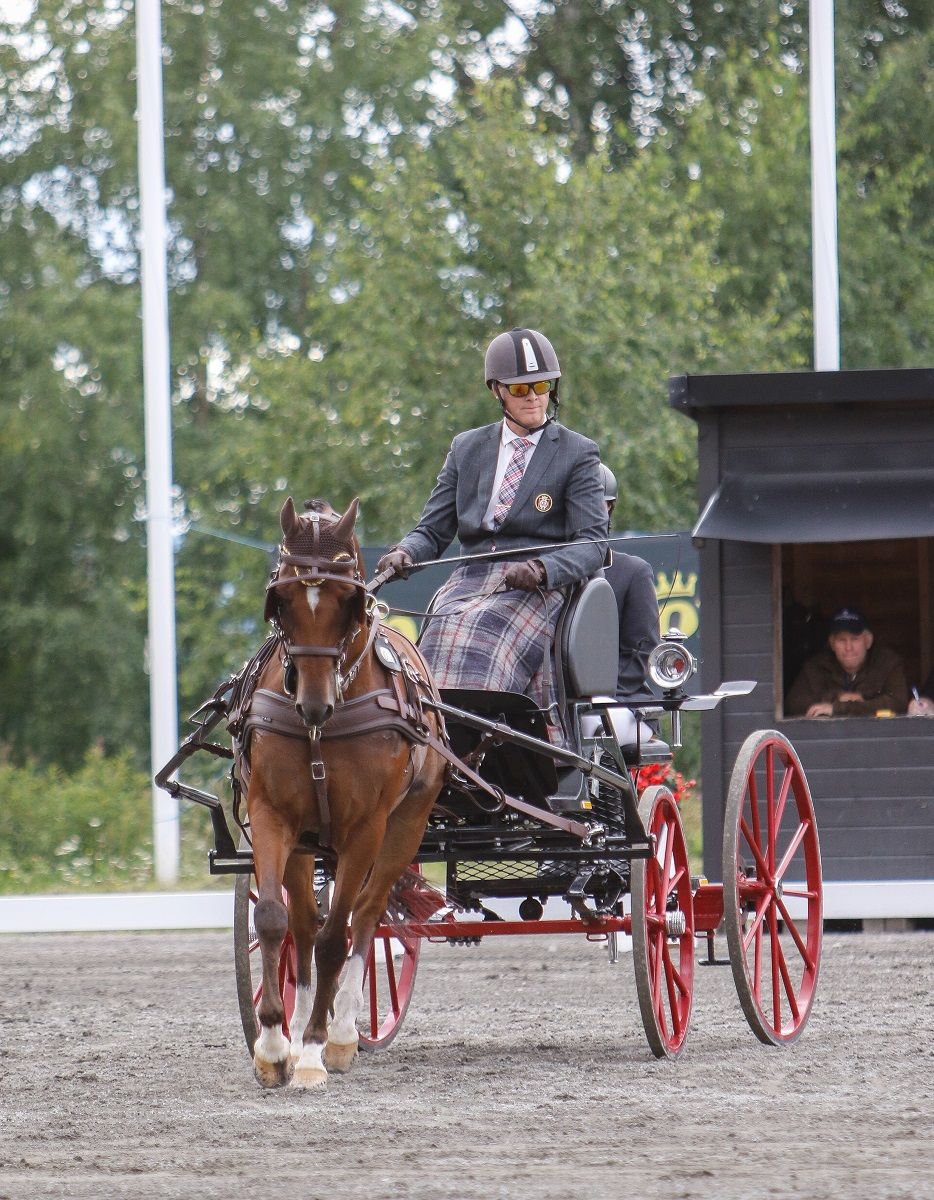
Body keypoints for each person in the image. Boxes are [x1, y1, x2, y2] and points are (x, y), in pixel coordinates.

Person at [376, 327, 607, 721]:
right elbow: (432, 531)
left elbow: (592, 543)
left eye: (542, 385)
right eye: (520, 390)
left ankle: (487, 737)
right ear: (497, 391)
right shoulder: (466, 448)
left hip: (536, 584)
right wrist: (404, 552)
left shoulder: (578, 452)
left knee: (486, 636)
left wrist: (542, 569)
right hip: (470, 579)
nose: (534, 397)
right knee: (432, 642)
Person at [582, 463, 660, 745]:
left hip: (620, 702)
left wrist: (586, 690)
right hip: (557, 701)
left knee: (590, 718)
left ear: (608, 509)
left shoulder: (632, 572)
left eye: (593, 506)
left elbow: (639, 656)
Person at [785, 607, 909, 717]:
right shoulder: (816, 666)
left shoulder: (887, 662)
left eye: (855, 639)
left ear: (868, 641)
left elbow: (898, 702)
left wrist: (839, 708)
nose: (848, 647)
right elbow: (793, 703)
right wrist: (837, 697)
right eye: (841, 640)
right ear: (832, 644)